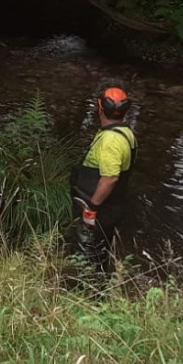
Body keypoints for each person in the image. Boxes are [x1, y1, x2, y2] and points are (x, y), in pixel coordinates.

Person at [69, 85, 137, 276]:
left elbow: (110, 178)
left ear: (100, 107)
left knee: (88, 248)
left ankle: (86, 287)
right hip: (114, 205)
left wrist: (91, 208)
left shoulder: (110, 141)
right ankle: (99, 281)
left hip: (99, 207)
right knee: (101, 249)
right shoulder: (127, 134)